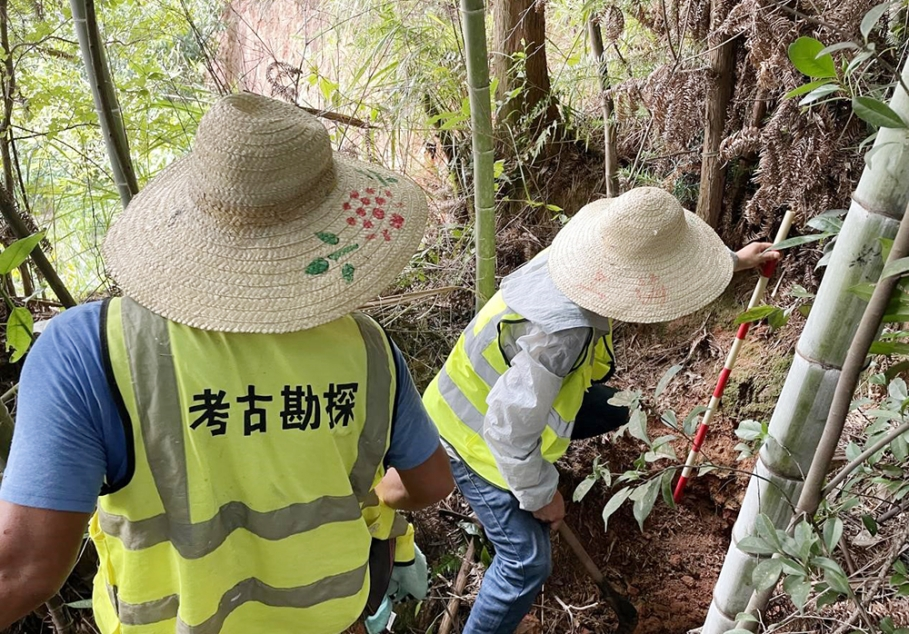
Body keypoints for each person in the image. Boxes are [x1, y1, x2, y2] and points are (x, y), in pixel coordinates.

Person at [0, 93, 453, 634]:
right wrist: (375, 499)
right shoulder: (369, 349)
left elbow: (23, 568)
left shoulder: (87, 351)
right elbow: (430, 483)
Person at [422, 186, 781, 634]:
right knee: (526, 564)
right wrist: (541, 494)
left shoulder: (577, 260)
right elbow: (508, 429)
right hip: (471, 436)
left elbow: (663, 266)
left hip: (495, 401)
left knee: (617, 408)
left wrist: (733, 260)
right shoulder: (564, 333)